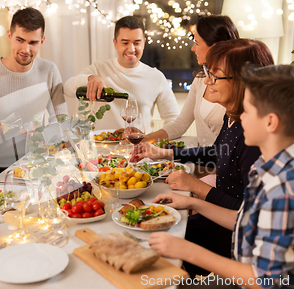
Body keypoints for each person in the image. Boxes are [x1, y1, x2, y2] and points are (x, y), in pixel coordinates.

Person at [149, 64, 294, 288]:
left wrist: (187, 250)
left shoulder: (287, 190)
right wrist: (193, 201)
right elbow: (245, 221)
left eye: (247, 110)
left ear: (270, 122)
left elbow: (264, 280)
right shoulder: (269, 163)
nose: (240, 117)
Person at [136, 39, 274, 277]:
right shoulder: (232, 117)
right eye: (208, 72)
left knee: (157, 240)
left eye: (215, 75)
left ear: (243, 80)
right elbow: (217, 153)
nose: (207, 81)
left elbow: (247, 214)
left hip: (238, 235)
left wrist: (196, 188)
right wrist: (166, 153)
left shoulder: (252, 135)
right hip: (223, 216)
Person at [0, 7, 68, 184]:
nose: (25, 49)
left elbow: (62, 121)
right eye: (20, 40)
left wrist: (41, 135)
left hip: (36, 165)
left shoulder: (49, 70)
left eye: (33, 42)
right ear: (9, 36)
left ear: (42, 41)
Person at [63, 15, 180, 131]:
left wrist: (155, 142)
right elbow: (67, 88)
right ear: (115, 43)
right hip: (102, 146)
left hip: (139, 146)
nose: (131, 49)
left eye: (136, 43)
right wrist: (89, 78)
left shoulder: (156, 77)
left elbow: (173, 118)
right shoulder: (99, 68)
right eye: (125, 43)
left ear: (143, 43)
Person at [144, 15, 238, 147]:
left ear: (215, 47)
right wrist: (145, 139)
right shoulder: (201, 79)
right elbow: (180, 124)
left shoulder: (238, 86)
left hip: (218, 164)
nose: (193, 48)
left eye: (197, 43)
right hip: (202, 162)